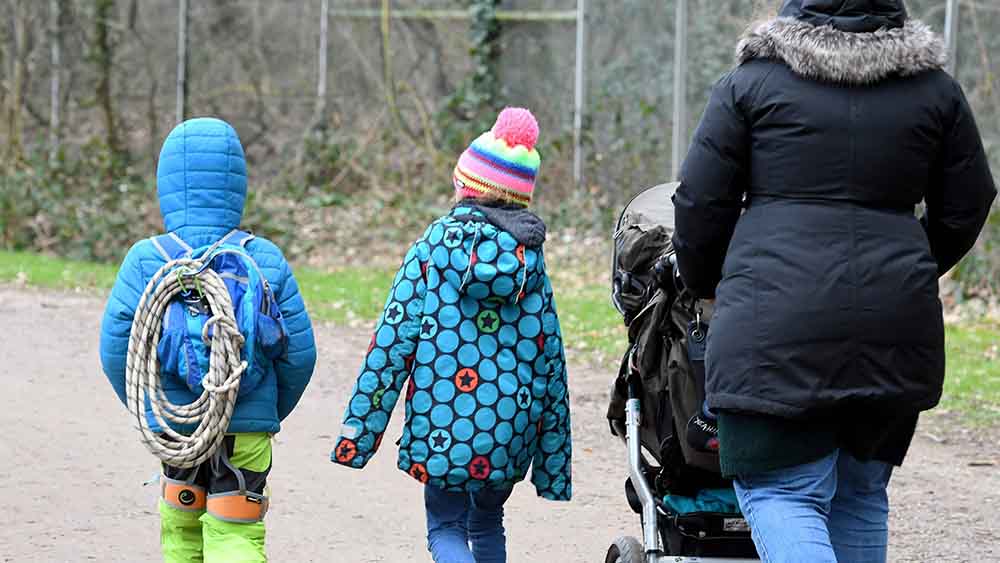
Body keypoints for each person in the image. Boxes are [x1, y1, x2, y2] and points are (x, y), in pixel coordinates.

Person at [670, 1, 997, 562]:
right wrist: (912, 266)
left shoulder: (751, 84)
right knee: (860, 495)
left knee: (782, 491)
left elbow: (700, 204)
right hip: (895, 325)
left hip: (773, 323)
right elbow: (969, 202)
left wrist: (706, 282)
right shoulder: (935, 90)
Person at [331, 107, 572, 563]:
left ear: (466, 187)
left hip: (443, 425)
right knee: (486, 522)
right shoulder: (530, 263)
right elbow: (551, 361)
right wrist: (553, 464)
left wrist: (358, 434)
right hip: (508, 430)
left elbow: (392, 342)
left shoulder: (432, 247)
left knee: (444, 528)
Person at [99, 117, 317, 562]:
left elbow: (116, 349)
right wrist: (264, 413)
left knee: (181, 530)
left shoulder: (146, 260)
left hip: (177, 428)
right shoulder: (262, 258)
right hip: (247, 428)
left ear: (165, 185)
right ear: (238, 184)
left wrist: (151, 407)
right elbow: (300, 355)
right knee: (236, 534)